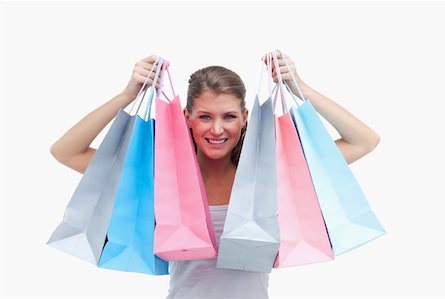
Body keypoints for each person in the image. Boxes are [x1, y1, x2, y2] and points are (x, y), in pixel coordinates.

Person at [50, 51, 380, 299]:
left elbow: (364, 141)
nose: (217, 129)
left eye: (229, 116)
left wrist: (301, 88)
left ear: (246, 117)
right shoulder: (161, 178)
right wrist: (127, 96)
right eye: (205, 116)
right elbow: (67, 152)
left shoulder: (271, 174)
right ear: (186, 117)